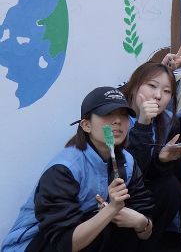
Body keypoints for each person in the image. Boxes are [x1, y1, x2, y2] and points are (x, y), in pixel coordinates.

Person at [3, 87, 154, 251]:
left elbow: (145, 229)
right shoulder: (64, 169)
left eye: (123, 114)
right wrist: (111, 210)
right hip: (34, 244)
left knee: (126, 224)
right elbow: (66, 243)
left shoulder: (128, 162)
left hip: (83, 239)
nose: (118, 120)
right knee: (102, 224)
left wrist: (141, 222)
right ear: (86, 125)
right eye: (108, 114)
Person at [122, 62, 181, 250]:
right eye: (152, 86)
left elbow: (149, 174)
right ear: (135, 85)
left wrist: (162, 161)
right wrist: (143, 123)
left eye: (167, 91)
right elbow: (126, 174)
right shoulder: (116, 117)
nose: (158, 95)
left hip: (144, 197)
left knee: (172, 187)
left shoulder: (167, 120)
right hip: (113, 196)